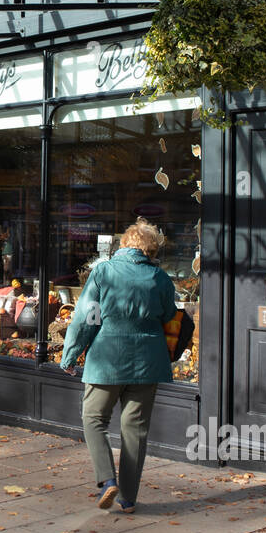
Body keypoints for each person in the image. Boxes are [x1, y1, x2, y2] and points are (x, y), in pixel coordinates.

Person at [60, 218, 177, 514]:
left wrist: (70, 355)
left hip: (107, 358)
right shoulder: (160, 278)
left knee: (93, 417)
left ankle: (106, 478)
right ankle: (128, 499)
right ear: (149, 249)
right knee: (135, 429)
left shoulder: (103, 272)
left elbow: (88, 317)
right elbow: (167, 314)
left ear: (124, 244)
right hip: (148, 360)